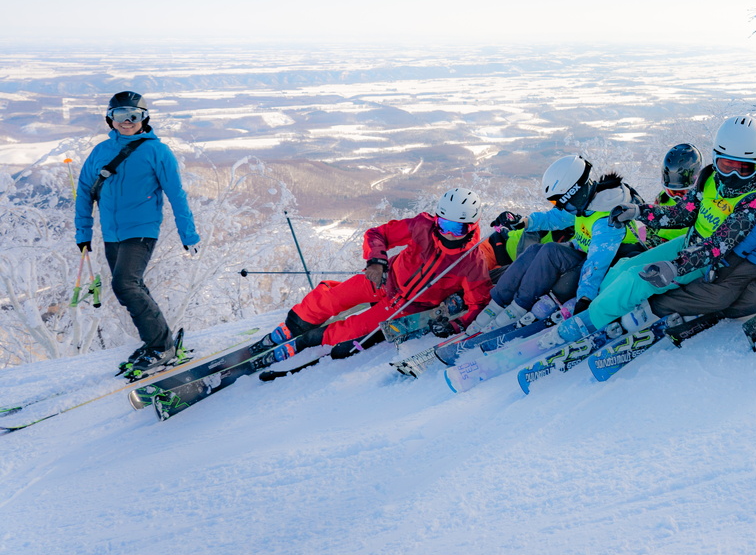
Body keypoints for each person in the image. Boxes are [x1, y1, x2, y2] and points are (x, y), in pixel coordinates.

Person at [556, 115, 756, 341]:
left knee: (637, 278)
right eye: (726, 165)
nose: (732, 175)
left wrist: (674, 266)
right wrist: (640, 212)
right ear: (716, 157)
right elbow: (684, 212)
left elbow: (717, 246)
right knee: (624, 267)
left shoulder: (755, 200)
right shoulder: (710, 177)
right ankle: (602, 306)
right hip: (688, 242)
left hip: (708, 262)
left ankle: (589, 323)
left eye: (744, 169)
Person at [251, 187, 495, 364]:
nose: (448, 233)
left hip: (408, 306)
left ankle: (308, 341)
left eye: (457, 228)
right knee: (332, 298)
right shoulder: (422, 226)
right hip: (385, 279)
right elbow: (378, 234)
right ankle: (295, 324)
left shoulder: (472, 262)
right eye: (444, 224)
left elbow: (478, 305)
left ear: (471, 226)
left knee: (354, 330)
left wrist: (454, 325)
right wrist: (377, 261)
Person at [75, 91, 200, 379]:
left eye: (134, 115)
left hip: (142, 229)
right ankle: (160, 341)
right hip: (111, 233)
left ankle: (160, 346)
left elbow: (176, 194)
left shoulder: (157, 151)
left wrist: (188, 234)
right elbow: (84, 191)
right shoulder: (100, 152)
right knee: (132, 286)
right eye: (120, 116)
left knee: (125, 284)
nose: (127, 121)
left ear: (144, 118)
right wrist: (83, 232)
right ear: (110, 119)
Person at [466, 155, 646, 334]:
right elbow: (556, 218)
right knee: (535, 250)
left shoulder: (607, 219)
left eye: (562, 203)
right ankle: (496, 303)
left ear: (577, 193)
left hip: (610, 264)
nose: (561, 207)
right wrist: (524, 222)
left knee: (550, 252)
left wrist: (585, 298)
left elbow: (597, 264)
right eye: (556, 203)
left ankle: (518, 308)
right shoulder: (586, 203)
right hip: (584, 254)